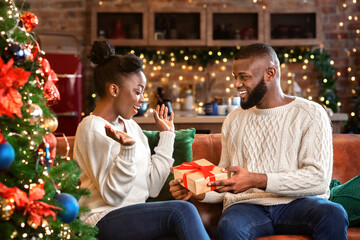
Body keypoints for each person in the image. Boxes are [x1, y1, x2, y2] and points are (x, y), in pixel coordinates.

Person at [169, 43, 349, 240]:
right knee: (229, 225)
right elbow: (226, 178)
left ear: (270, 74)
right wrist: (196, 191)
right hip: (246, 207)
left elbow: (318, 179)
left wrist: (256, 179)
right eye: (235, 77)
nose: (237, 84)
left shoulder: (311, 114)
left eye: (244, 77)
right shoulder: (233, 119)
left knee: (334, 213)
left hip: (298, 204)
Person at [74, 40, 209, 240]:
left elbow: (152, 188)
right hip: (102, 219)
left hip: (134, 216)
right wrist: (127, 151)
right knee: (183, 211)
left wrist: (167, 136)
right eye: (137, 91)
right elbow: (113, 196)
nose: (143, 99)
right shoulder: (92, 128)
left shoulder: (132, 127)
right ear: (114, 90)